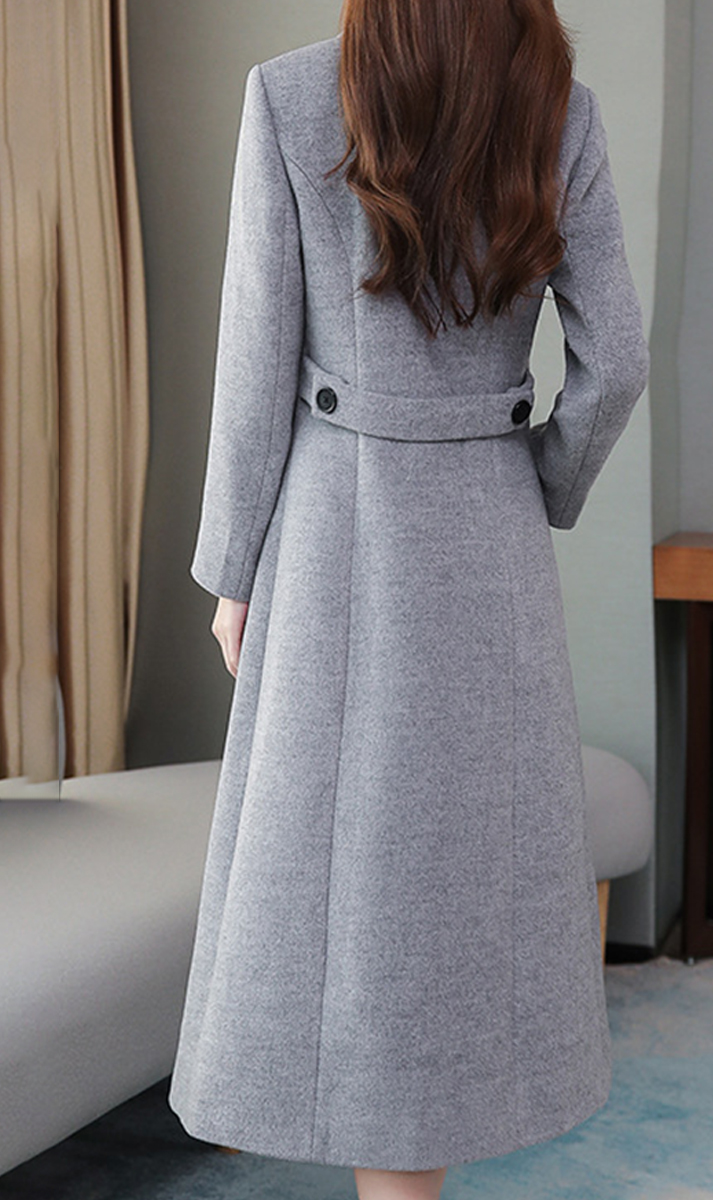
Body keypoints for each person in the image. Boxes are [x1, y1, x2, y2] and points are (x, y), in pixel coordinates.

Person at [168, 2, 649, 1198]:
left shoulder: (286, 97)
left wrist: (232, 569)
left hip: (330, 535)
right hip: (490, 532)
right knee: (458, 880)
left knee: (348, 887)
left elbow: (254, 363)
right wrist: (537, 479)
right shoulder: (559, 114)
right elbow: (617, 363)